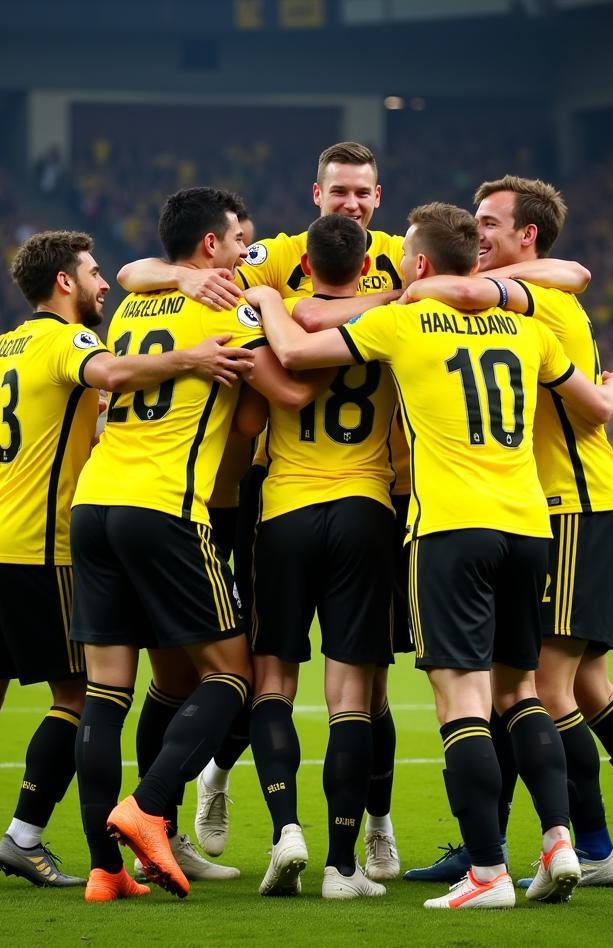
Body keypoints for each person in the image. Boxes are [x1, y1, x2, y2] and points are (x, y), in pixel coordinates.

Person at [244, 201, 613, 909]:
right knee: (521, 693)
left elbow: (297, 353)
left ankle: (486, 872)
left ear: (418, 265)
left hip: (450, 529)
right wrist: (612, 385)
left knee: (462, 701)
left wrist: (269, 297)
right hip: (529, 527)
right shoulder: (529, 326)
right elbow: (592, 403)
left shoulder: (400, 323)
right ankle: (558, 842)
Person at [0, 229, 252, 889]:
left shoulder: (6, 347)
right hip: (40, 544)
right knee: (83, 695)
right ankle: (26, 836)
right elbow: (110, 370)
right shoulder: (70, 342)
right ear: (65, 282)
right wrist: (189, 358)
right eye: (91, 273)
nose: (103, 284)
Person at [401, 175, 613, 886]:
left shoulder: (538, 294)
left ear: (525, 236)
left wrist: (415, 292)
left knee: (540, 686)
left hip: (572, 505)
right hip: (550, 508)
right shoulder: (528, 293)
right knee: (574, 684)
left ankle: (596, 842)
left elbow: (551, 282)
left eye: (488, 224)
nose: (477, 238)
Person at [69, 187, 329, 902]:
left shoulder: (133, 305)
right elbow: (274, 406)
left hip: (95, 503)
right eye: (235, 240)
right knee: (232, 674)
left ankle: (106, 868)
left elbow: (131, 277)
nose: (244, 252)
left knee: (107, 692)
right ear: (211, 246)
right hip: (165, 508)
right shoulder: (230, 306)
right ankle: (149, 807)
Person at [243, 213, 398, 899]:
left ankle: (287, 832)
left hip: (284, 511)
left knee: (272, 684)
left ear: (302, 262)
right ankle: (343, 866)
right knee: (351, 701)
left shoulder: (275, 319)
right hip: (367, 507)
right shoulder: (391, 321)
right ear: (369, 266)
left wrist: (275, 306)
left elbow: (249, 420)